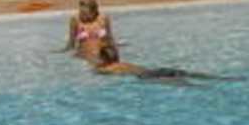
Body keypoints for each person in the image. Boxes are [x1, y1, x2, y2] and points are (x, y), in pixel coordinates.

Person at [88, 37, 221, 83]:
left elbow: (96, 70)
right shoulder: (123, 64)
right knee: (189, 74)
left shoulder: (106, 68)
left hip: (147, 76)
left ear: (103, 57)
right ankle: (223, 78)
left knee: (182, 83)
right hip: (155, 70)